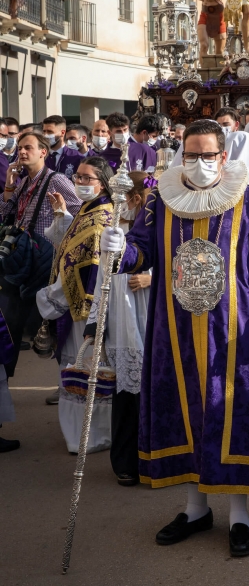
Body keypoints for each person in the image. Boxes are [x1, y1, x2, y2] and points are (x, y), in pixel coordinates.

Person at [100, 119, 249, 557]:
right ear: (180, 155)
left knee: (231, 414)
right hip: (176, 331)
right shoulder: (160, 202)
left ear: (224, 157)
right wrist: (118, 248)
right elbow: (140, 251)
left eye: (209, 155)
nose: (201, 162)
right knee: (186, 412)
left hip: (235, 332)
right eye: (192, 155)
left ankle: (239, 514)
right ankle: (195, 508)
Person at [36, 157, 114, 453]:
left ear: (103, 182)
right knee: (79, 366)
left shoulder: (102, 217)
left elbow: (78, 268)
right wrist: (62, 215)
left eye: (87, 178)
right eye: (78, 177)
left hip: (87, 309)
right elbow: (69, 245)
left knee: (88, 369)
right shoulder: (88, 208)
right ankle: (83, 434)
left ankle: (92, 436)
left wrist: (48, 298)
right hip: (77, 309)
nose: (80, 182)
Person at [85, 171, 153, 484]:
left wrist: (152, 277)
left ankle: (157, 459)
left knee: (153, 393)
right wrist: (95, 321)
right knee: (126, 395)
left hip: (153, 315)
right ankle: (127, 461)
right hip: (123, 319)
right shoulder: (115, 230)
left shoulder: (159, 228)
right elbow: (101, 278)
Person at [0, 132, 81, 380]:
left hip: (46, 259)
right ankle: (6, 380)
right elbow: (5, 213)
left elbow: (78, 210)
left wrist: (60, 219)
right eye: (20, 149)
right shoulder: (24, 182)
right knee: (12, 320)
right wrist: (9, 185)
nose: (22, 152)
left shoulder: (56, 180)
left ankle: (66, 378)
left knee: (48, 323)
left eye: (29, 148)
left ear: (43, 152)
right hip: (23, 257)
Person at [43, 115, 83, 179]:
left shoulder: (77, 157)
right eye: (44, 131)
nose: (45, 135)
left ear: (62, 132)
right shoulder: (40, 156)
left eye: (50, 132)